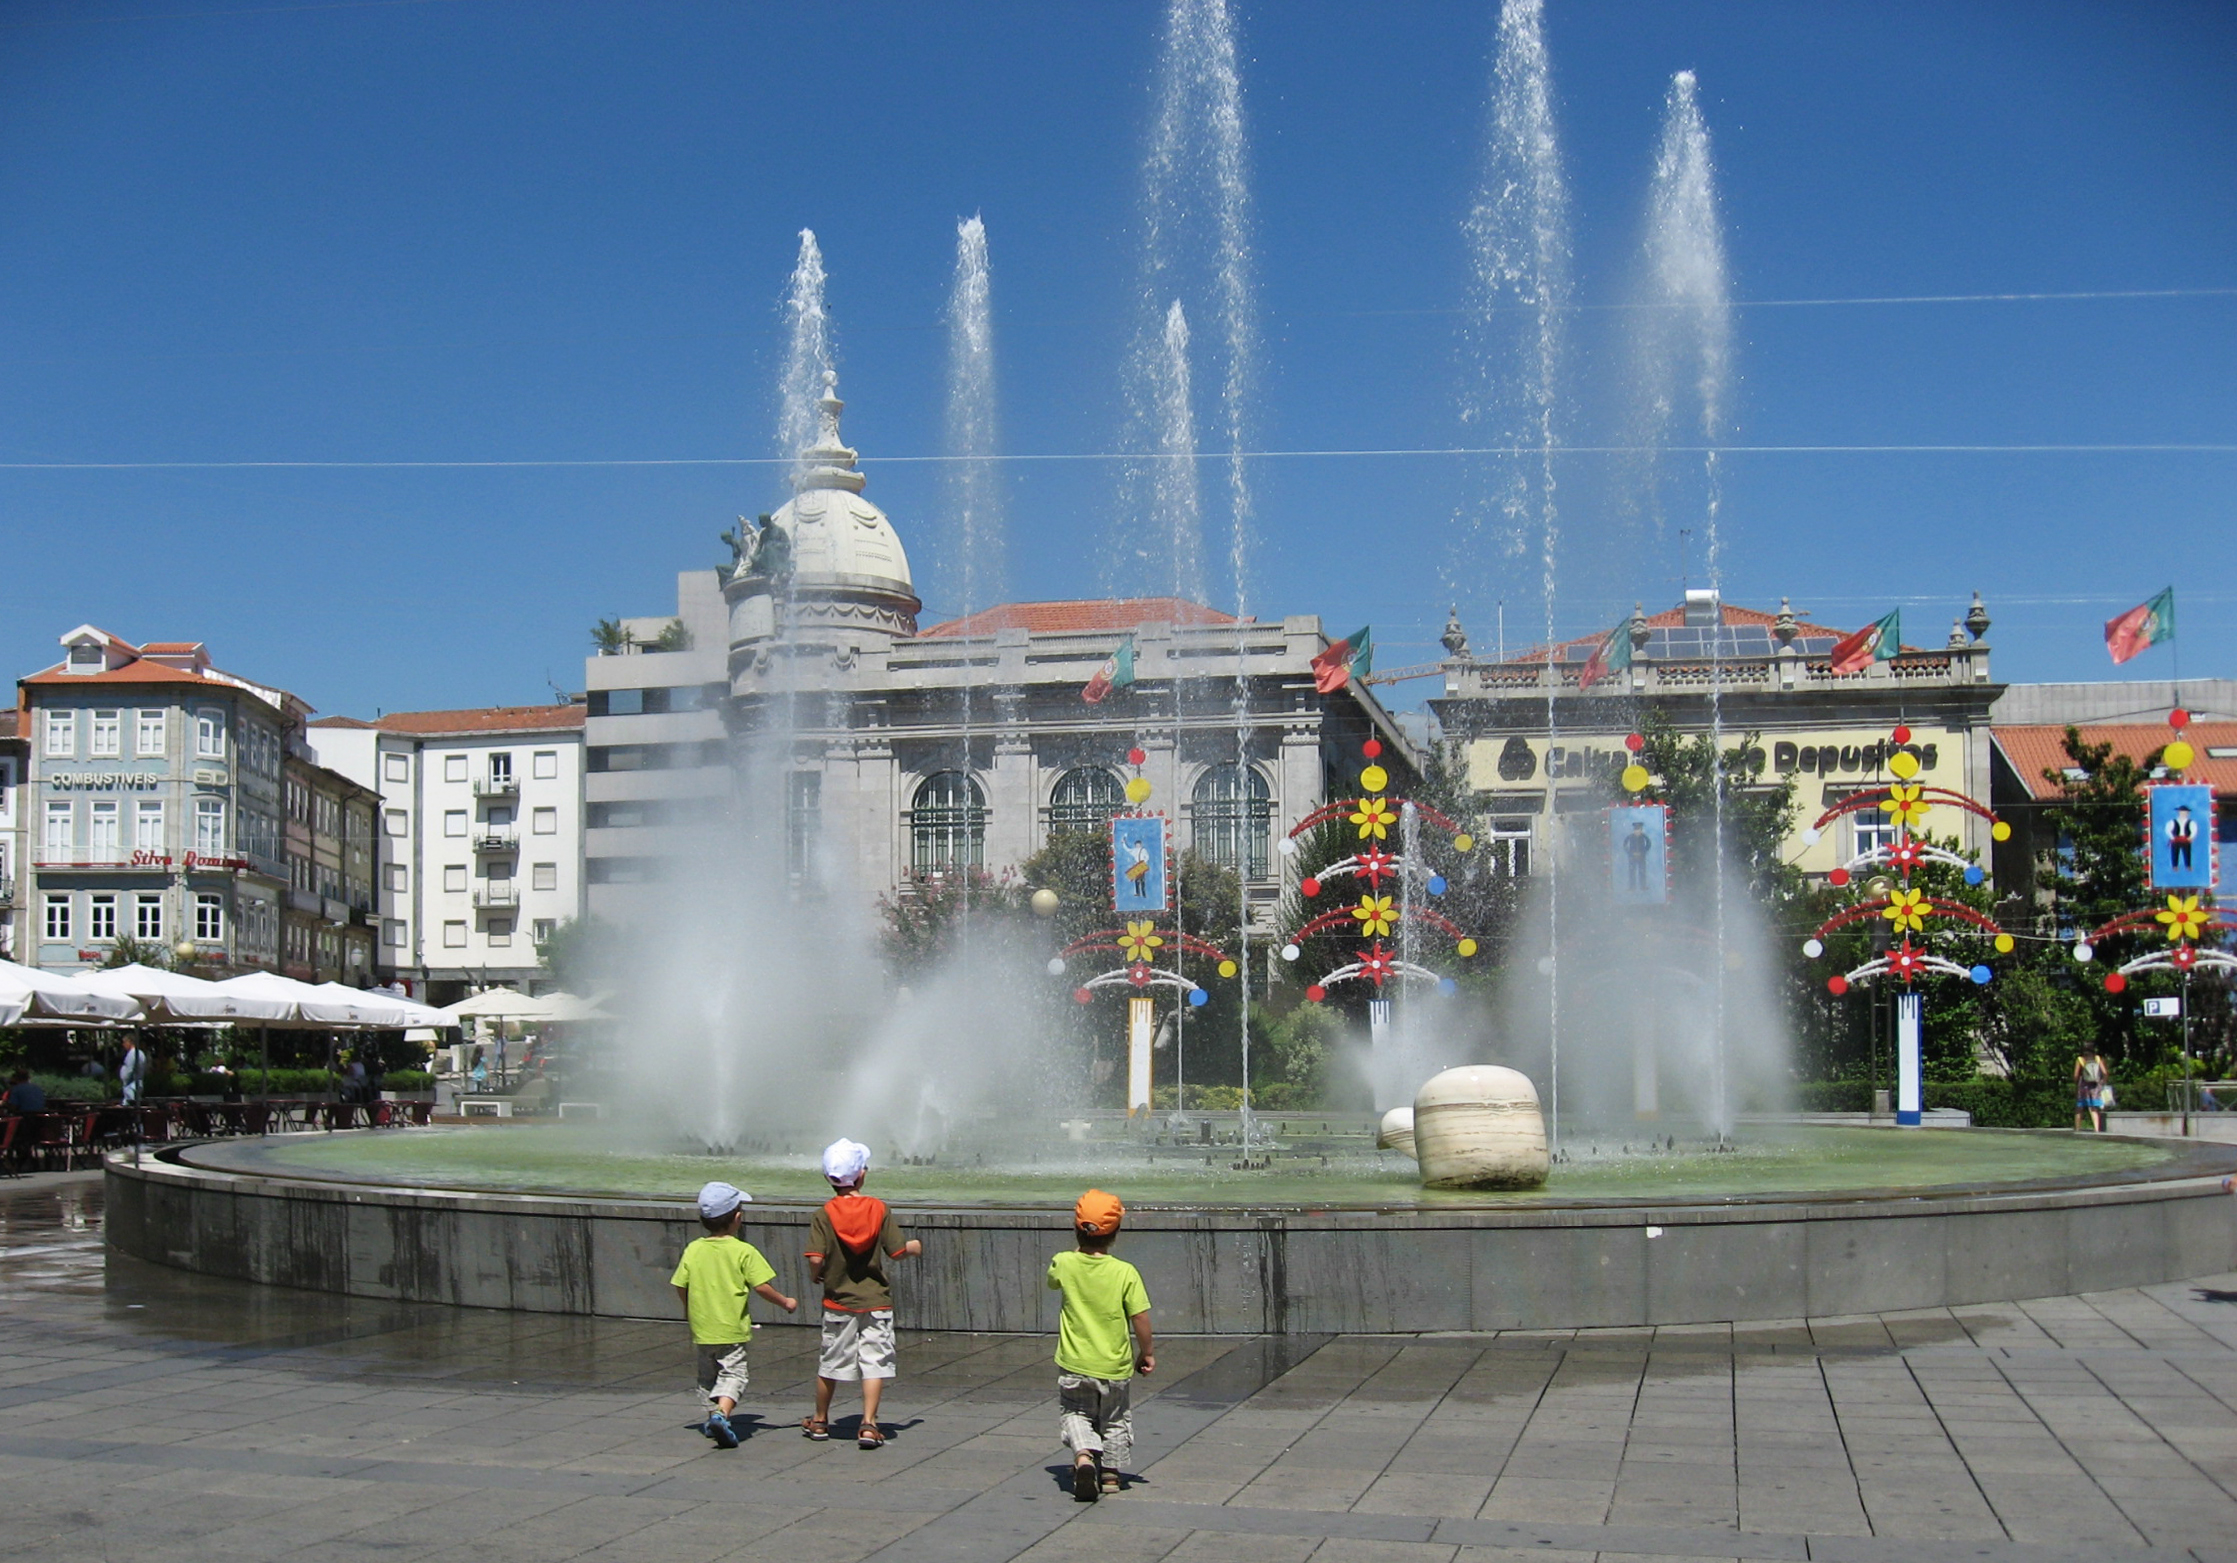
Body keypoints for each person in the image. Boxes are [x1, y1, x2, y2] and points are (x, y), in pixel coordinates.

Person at [802, 1138, 921, 1449]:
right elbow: (897, 1251)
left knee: (830, 1362)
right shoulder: (879, 1208)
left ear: (828, 1178)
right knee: (874, 1363)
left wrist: (816, 1275)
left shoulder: (823, 1214)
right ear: (861, 1175)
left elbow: (815, 1257)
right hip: (876, 1301)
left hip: (838, 1302)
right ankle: (868, 1424)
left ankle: (819, 1420)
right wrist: (914, 1247)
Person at [670, 1180, 796, 1449]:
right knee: (734, 1374)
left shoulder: (694, 1249)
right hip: (731, 1328)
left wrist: (688, 1309)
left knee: (708, 1375)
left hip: (702, 1327)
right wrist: (785, 1301)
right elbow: (761, 1286)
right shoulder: (743, 1251)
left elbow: (680, 1284)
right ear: (737, 1218)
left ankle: (711, 1418)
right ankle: (722, 1414)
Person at [1047, 1189, 1153, 1503]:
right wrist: (1147, 1352)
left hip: (1075, 1362)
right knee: (1115, 1418)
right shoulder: (1125, 1272)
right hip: (1114, 1365)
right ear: (1116, 1232)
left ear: (1076, 1228)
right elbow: (1140, 1317)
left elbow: (1052, 1280)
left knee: (1076, 1413)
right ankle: (1110, 1475)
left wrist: (1075, 1255)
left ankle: (1083, 1456)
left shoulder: (1064, 1263)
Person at [2074, 1047, 2112, 1132]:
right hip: (2096, 1086)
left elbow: (2076, 1075)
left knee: (2079, 1107)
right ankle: (2096, 1129)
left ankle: (2077, 1128)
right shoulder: (2097, 1058)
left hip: (2083, 1086)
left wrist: (2076, 1083)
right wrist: (2102, 1082)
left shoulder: (2080, 1060)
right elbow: (2105, 1073)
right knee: (2093, 1108)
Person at [118, 1040, 147, 1106]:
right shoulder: (141, 1053)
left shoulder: (131, 1054)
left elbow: (129, 1070)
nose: (123, 1045)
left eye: (124, 1042)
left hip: (130, 1085)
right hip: (138, 1083)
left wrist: (123, 1078)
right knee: (136, 1103)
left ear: (129, 1042)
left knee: (129, 1105)